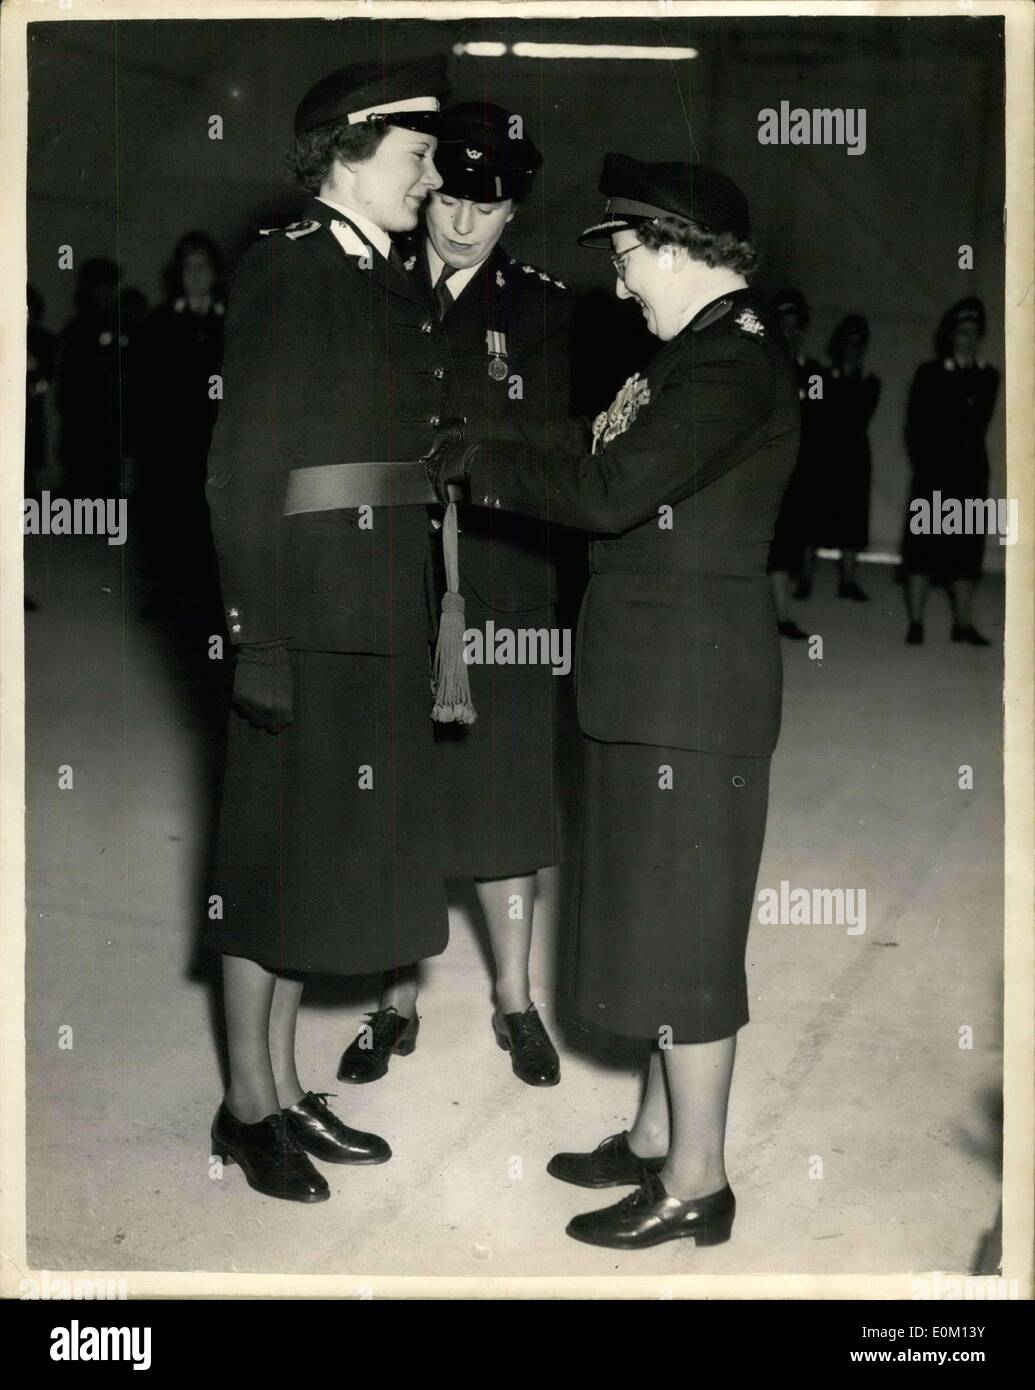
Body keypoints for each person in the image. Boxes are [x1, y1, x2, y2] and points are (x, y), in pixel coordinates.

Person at [426, 154, 800, 1249]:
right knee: (656, 931)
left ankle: (698, 1179)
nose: (623, 282)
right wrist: (476, 441)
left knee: (688, 945)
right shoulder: (689, 360)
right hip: (655, 690)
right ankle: (652, 1137)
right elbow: (588, 445)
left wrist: (473, 463)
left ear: (682, 248)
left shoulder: (727, 367)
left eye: (632, 257)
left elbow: (604, 491)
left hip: (692, 698)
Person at [203, 56, 455, 1202]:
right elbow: (241, 466)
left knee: (316, 865)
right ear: (351, 151)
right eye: (416, 154)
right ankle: (247, 1105)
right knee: (265, 869)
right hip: (302, 617)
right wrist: (257, 633)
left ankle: (290, 1088)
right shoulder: (286, 270)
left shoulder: (391, 277)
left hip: (376, 611)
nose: (433, 174)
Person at [336, 101, 571, 1090]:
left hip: (502, 583)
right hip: (390, 575)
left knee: (506, 787)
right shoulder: (374, 286)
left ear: (514, 208)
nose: (463, 220)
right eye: (451, 195)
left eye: (490, 202)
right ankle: (396, 1000)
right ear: (426, 186)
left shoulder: (549, 309)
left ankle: (515, 998)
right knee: (399, 790)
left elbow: (563, 452)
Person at [135, 232, 226, 630]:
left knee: (213, 522)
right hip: (169, 445)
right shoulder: (160, 322)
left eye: (203, 265)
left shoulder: (232, 320)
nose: (196, 274)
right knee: (169, 518)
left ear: (215, 271)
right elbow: (142, 389)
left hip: (218, 443)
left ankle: (210, 598)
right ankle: (168, 594)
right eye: (188, 266)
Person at [900, 297, 999, 645]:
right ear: (950, 336)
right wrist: (925, 468)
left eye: (975, 333)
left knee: (967, 550)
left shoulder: (988, 376)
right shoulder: (929, 373)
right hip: (933, 473)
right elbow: (916, 428)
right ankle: (915, 621)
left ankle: (963, 623)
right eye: (963, 333)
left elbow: (975, 420)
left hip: (970, 474)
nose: (969, 340)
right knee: (921, 549)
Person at [765, 288, 822, 635]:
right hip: (770, 467)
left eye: (796, 325)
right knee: (775, 541)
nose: (791, 331)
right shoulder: (766, 368)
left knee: (794, 539)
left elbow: (820, 419)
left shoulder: (812, 373)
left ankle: (783, 609)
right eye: (784, 324)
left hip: (804, 468)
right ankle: (780, 615)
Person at [817, 314, 880, 600]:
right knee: (815, 512)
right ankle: (806, 575)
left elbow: (859, 413)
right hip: (826, 451)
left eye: (859, 344)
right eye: (849, 343)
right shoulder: (823, 378)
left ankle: (848, 579)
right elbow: (820, 415)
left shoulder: (869, 381)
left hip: (854, 453)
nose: (854, 349)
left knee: (854, 518)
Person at [56, 258, 129, 499]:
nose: (106, 292)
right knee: (81, 480)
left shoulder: (124, 323)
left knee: (108, 479)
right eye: (100, 285)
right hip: (83, 419)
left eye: (110, 285)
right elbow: (68, 379)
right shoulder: (76, 328)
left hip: (111, 417)